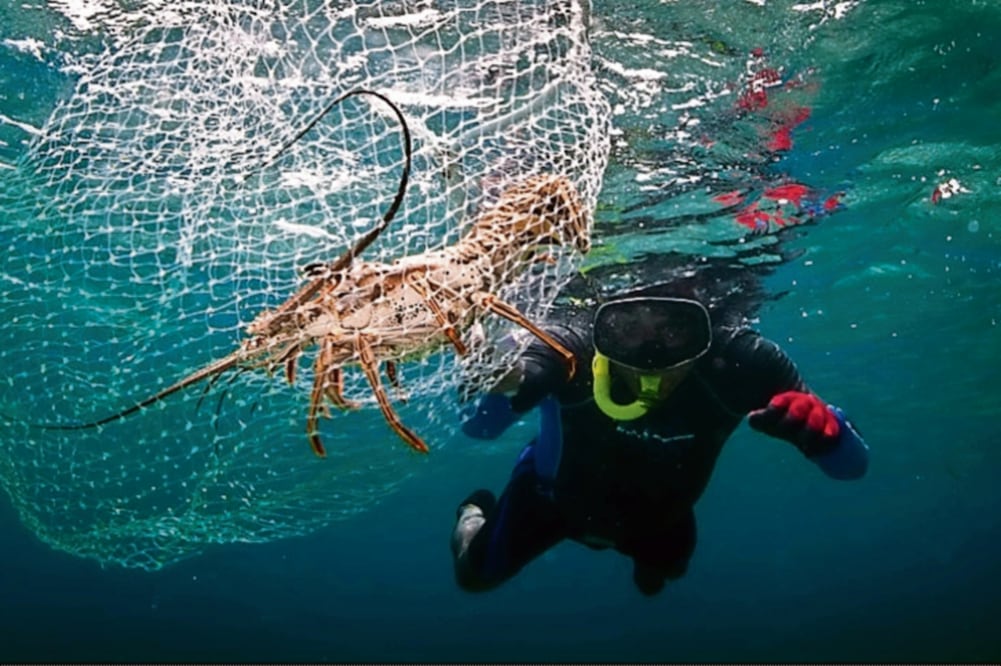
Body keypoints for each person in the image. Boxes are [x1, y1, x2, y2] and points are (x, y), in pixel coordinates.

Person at [451, 279, 868, 596]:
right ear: (603, 331)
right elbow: (481, 427)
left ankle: (648, 565)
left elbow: (851, 467)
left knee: (658, 581)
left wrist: (825, 434)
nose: (651, 356)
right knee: (475, 575)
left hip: (661, 520)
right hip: (550, 502)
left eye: (673, 331)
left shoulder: (742, 361)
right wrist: (495, 380)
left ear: (704, 330)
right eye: (627, 330)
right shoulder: (573, 348)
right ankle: (474, 511)